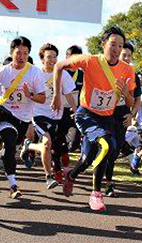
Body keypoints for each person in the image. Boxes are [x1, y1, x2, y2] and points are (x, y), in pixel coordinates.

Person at [51, 26, 135, 211]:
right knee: (106, 145)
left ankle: (71, 175)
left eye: (120, 46)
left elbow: (130, 100)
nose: (116, 49)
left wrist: (124, 94)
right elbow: (59, 66)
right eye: (113, 44)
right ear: (103, 43)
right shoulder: (89, 61)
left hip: (107, 118)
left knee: (87, 159)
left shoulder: (127, 70)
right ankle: (96, 195)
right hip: (86, 114)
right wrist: (57, 95)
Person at [0, 36, 46, 198]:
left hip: (24, 118)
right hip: (6, 113)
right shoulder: (1, 72)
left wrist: (30, 95)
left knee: (10, 150)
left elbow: (42, 97)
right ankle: (13, 185)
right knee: (10, 145)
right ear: (11, 52)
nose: (21, 57)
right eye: (18, 53)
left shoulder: (35, 73)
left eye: (25, 54)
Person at [20, 43, 76, 189]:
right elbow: (27, 94)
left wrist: (75, 109)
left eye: (55, 56)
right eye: (49, 57)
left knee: (51, 146)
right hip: (38, 113)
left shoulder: (62, 74)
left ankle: (29, 145)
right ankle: (48, 176)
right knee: (46, 142)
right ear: (42, 59)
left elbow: (68, 94)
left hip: (56, 115)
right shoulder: (35, 73)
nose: (52, 60)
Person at [105, 41, 141, 195]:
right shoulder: (106, 70)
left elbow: (137, 99)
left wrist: (131, 115)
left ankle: (108, 184)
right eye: (123, 55)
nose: (126, 58)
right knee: (107, 148)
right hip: (105, 116)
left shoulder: (132, 74)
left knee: (114, 151)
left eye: (129, 56)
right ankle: (106, 183)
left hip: (123, 117)